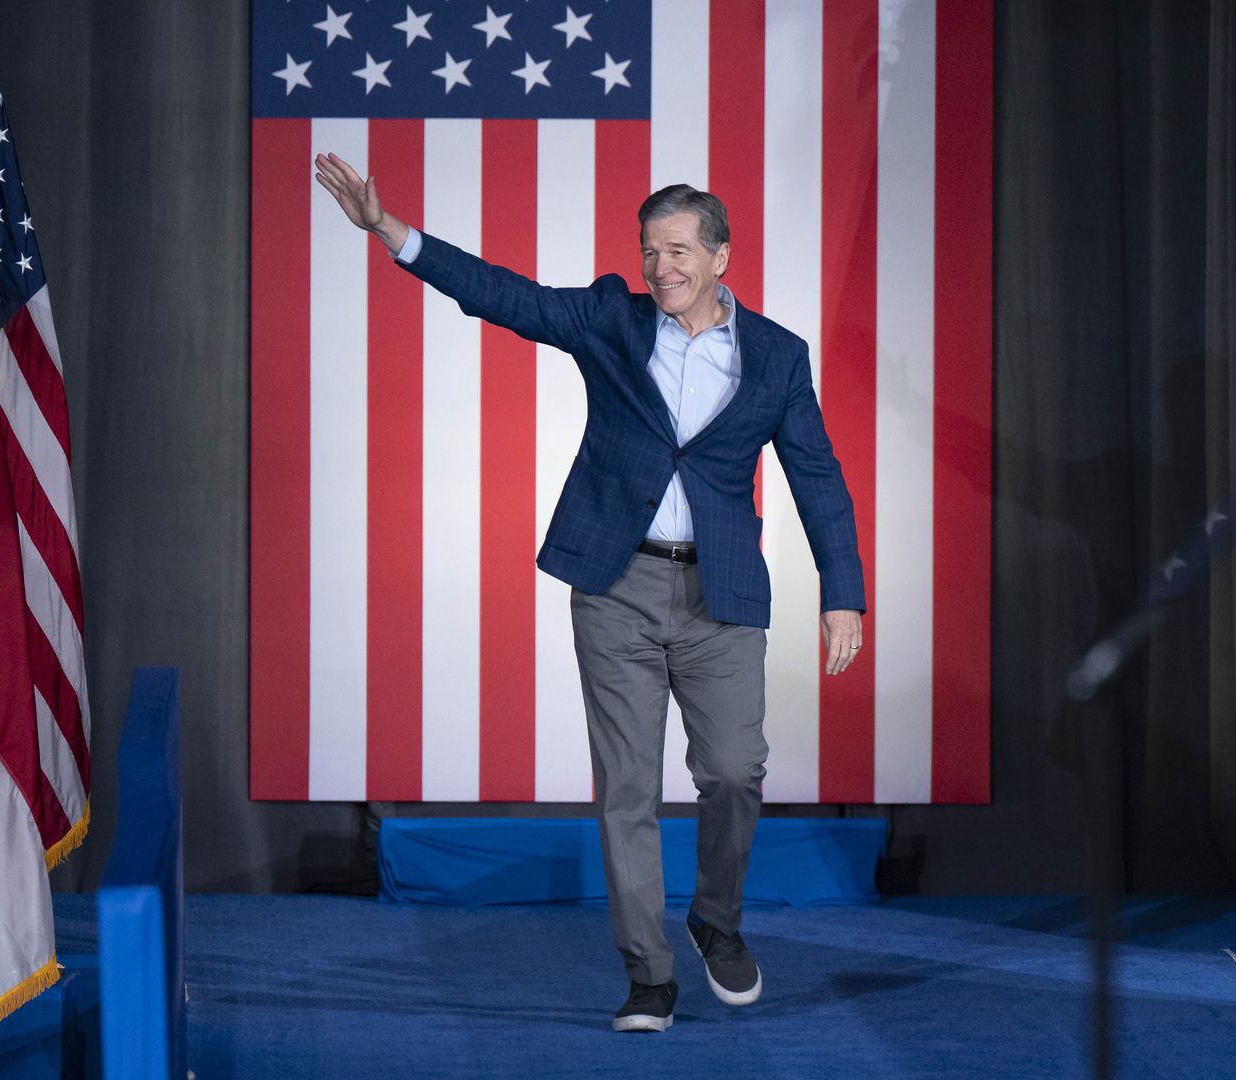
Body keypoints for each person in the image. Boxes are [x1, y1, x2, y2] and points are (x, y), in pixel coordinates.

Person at [314, 153, 867, 1032]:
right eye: (651, 252)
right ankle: (649, 975)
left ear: (721, 256)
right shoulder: (612, 319)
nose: (662, 269)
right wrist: (393, 232)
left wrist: (844, 590)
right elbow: (507, 296)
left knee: (734, 771)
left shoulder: (778, 358)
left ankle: (714, 921)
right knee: (628, 788)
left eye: (680, 252)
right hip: (616, 584)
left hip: (722, 596)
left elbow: (820, 478)